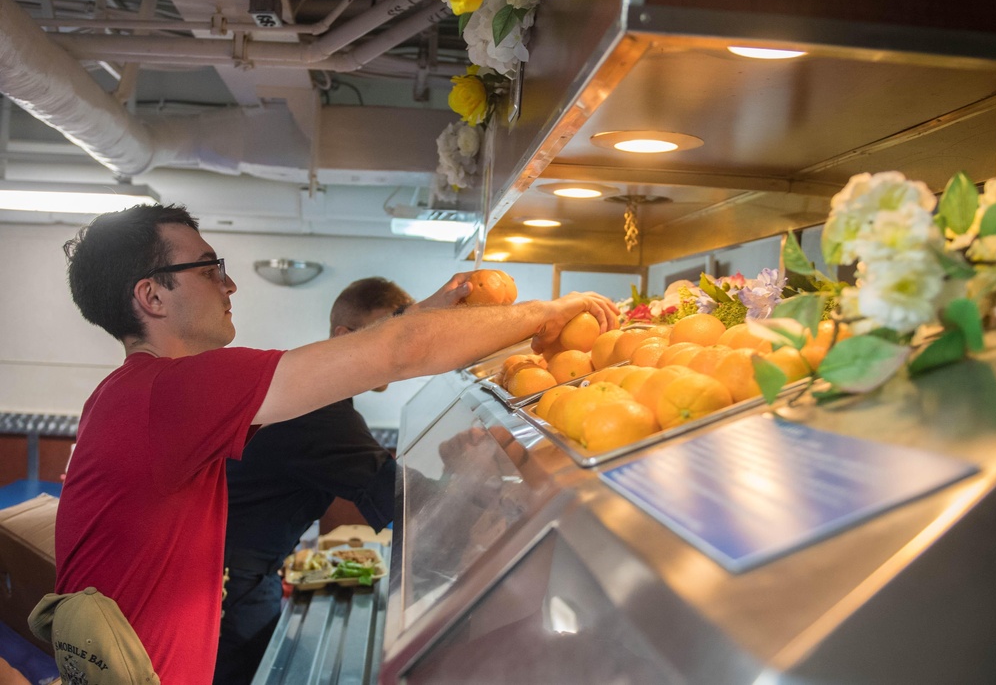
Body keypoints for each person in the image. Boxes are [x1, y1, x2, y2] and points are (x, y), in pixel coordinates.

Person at [45, 203, 619, 685]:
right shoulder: (172, 391)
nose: (230, 283)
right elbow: (396, 353)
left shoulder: (145, 395)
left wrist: (422, 315)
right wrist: (546, 312)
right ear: (152, 297)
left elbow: (362, 361)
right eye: (209, 267)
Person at [214, 277, 432, 685]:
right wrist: (490, 499)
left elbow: (349, 500)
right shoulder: (321, 411)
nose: (398, 351)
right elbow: (399, 493)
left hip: (248, 569)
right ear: (343, 336)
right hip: (228, 583)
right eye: (387, 334)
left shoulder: (318, 397)